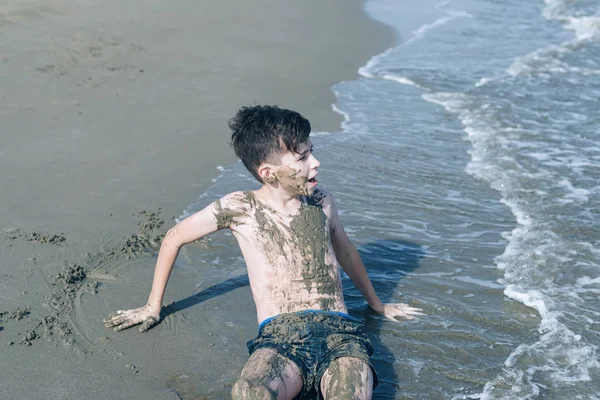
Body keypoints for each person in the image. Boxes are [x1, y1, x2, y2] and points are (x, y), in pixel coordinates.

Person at [104, 105, 424, 399]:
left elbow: (347, 253)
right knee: (249, 391)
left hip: (339, 334)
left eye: (312, 152)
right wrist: (152, 306)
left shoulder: (322, 201)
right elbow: (174, 237)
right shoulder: (241, 207)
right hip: (280, 338)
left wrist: (377, 306)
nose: (315, 162)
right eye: (301, 158)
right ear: (268, 172)